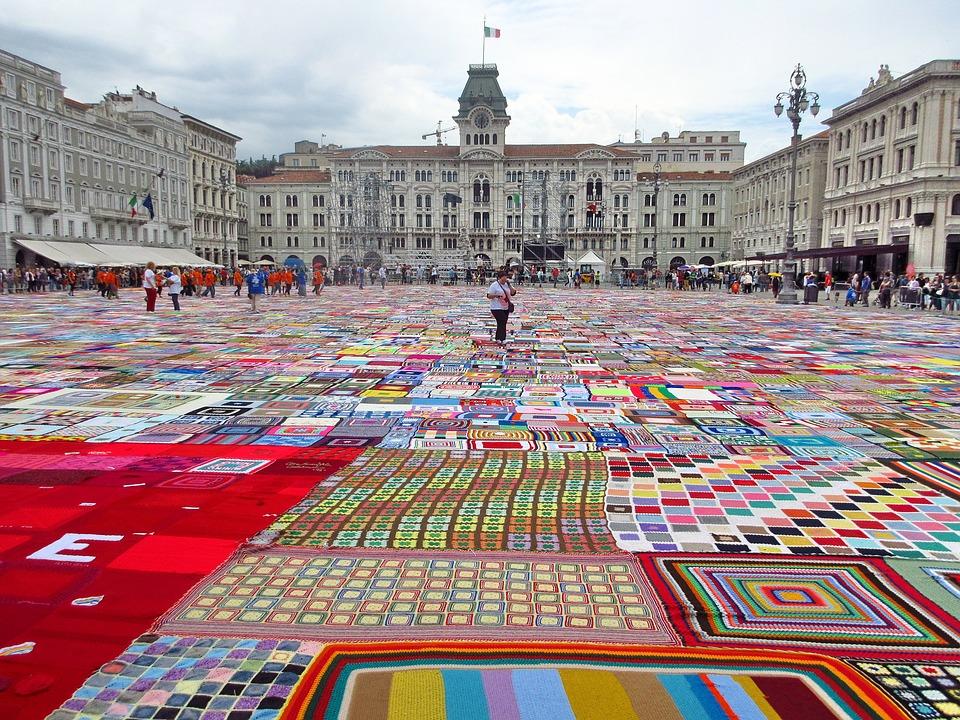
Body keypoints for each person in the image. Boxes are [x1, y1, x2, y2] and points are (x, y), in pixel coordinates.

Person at [487, 269, 517, 344]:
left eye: (506, 278)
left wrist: (509, 285)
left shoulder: (507, 284)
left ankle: (498, 338)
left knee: (501, 322)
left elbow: (513, 293)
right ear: (499, 278)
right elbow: (488, 295)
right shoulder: (494, 285)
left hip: (505, 307)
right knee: (502, 321)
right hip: (496, 307)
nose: (504, 280)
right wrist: (496, 295)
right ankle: (502, 338)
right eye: (503, 279)